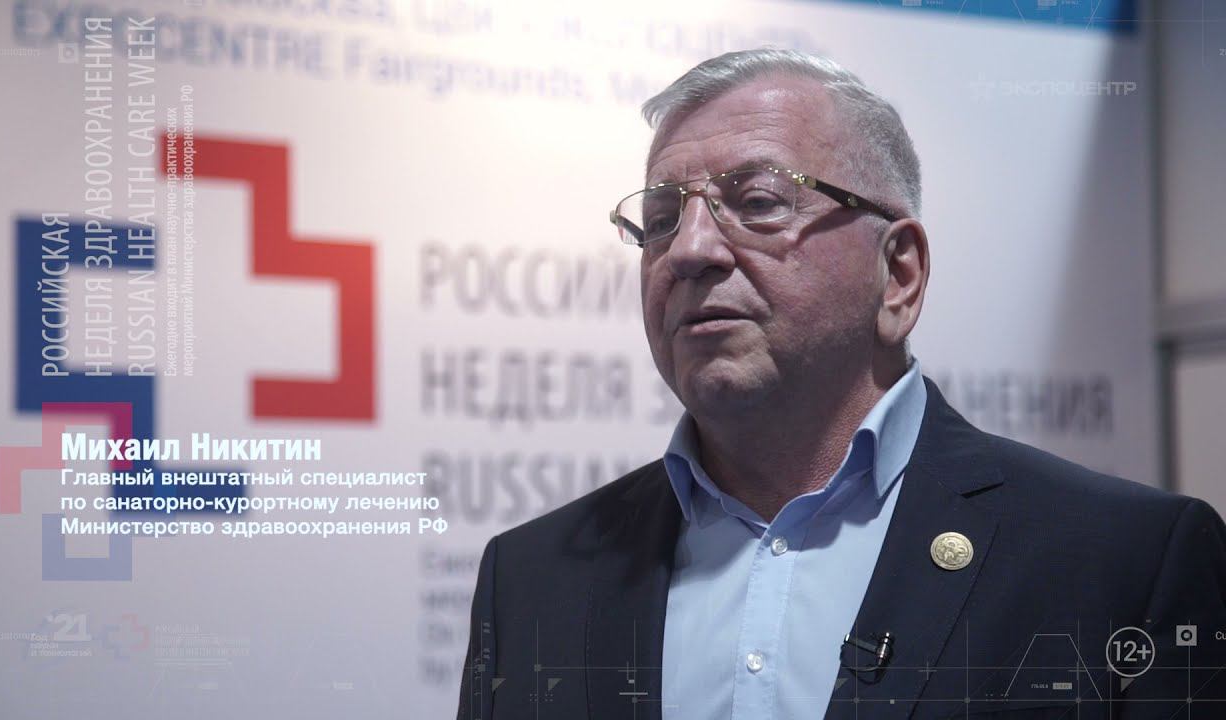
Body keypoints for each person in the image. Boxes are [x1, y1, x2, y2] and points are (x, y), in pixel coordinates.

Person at [455, 48, 1226, 720]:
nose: (688, 251)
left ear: (899, 274)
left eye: (757, 203)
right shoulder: (529, 580)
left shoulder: (1124, 561)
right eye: (661, 220)